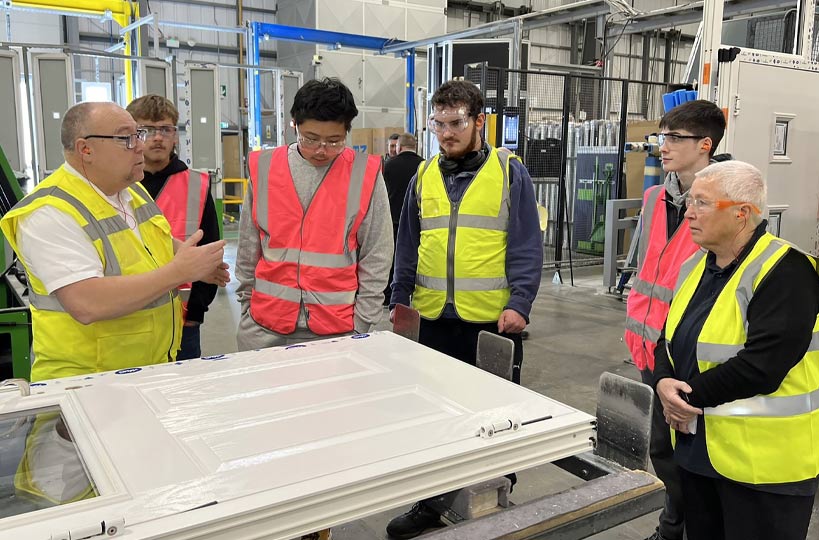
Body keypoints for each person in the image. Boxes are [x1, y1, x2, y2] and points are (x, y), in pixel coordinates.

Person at [387, 79, 542, 539]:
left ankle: (495, 504)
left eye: (455, 123)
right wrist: (399, 297)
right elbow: (407, 243)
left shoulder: (509, 171)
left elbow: (526, 244)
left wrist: (520, 303)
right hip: (433, 320)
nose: (446, 134)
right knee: (434, 417)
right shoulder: (423, 175)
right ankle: (430, 504)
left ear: (478, 121)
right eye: (438, 124)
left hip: (491, 323)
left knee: (496, 419)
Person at [0, 102, 229, 382]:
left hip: (146, 370)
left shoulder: (131, 191)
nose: (140, 147)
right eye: (126, 138)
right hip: (87, 381)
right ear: (86, 149)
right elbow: (86, 303)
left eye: (138, 135)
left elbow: (151, 243)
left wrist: (193, 260)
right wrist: (179, 272)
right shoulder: (50, 212)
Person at [653, 161, 819, 540]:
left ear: (742, 214)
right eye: (690, 201)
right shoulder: (696, 264)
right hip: (702, 453)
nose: (689, 212)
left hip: (766, 470)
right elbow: (670, 335)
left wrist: (686, 396)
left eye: (703, 203)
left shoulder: (787, 271)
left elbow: (764, 366)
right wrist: (663, 380)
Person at [623, 99, 727, 540]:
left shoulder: (725, 202)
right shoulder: (654, 196)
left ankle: (678, 530)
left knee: (693, 452)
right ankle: (673, 526)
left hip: (690, 349)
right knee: (661, 450)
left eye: (674, 138)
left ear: (705, 145)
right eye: (662, 137)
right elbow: (648, 267)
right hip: (649, 344)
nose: (662, 146)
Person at [236, 78, 392, 350]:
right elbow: (249, 245)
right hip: (263, 327)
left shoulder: (364, 174)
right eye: (311, 139)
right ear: (294, 124)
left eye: (334, 141)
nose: (322, 150)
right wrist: (247, 304)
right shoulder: (265, 167)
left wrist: (362, 323)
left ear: (347, 131)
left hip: (338, 330)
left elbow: (377, 251)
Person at [126, 94, 220, 360]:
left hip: (183, 318)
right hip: (127, 318)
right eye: (147, 130)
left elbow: (210, 251)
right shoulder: (115, 184)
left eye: (166, 129)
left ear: (176, 136)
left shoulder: (196, 185)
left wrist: (196, 312)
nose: (157, 138)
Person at [382, 132, 423, 305]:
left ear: (399, 147)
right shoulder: (424, 166)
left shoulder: (389, 166)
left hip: (393, 219)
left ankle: (391, 294)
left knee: (394, 258)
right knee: (415, 255)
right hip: (418, 220)